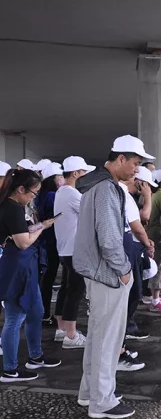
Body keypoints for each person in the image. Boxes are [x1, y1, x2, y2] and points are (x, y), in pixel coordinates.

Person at [74, 135, 154, 419]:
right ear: (120, 158)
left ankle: (90, 393)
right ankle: (102, 402)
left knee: (98, 338)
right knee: (107, 341)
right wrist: (124, 271)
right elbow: (109, 239)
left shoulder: (95, 185)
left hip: (96, 271)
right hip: (107, 273)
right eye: (135, 163)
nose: (137, 169)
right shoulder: (107, 188)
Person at [0, 169, 61, 382]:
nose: (33, 197)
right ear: (20, 189)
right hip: (17, 266)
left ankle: (35, 356)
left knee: (36, 311)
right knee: (15, 317)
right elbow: (23, 242)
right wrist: (42, 227)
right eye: (33, 193)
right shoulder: (11, 207)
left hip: (25, 264)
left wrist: (40, 225)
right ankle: (10, 369)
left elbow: (23, 234)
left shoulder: (14, 206)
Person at [53, 157, 95, 350]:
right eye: (84, 172)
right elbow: (92, 213)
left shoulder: (61, 191)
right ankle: (71, 335)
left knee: (66, 288)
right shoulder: (72, 194)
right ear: (76, 173)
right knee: (75, 291)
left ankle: (62, 329)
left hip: (64, 248)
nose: (86, 176)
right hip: (74, 249)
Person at [121, 167, 155, 341]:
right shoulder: (127, 196)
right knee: (133, 291)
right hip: (131, 248)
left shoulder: (128, 196)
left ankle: (127, 326)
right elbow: (142, 220)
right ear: (140, 183)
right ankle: (126, 328)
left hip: (133, 246)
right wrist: (147, 197)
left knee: (134, 290)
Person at [35, 162, 64, 326]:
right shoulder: (53, 196)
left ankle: (43, 313)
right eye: (60, 177)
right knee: (48, 278)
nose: (62, 179)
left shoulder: (42, 194)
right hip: (51, 241)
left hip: (44, 240)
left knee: (45, 278)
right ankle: (44, 314)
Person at [144, 168, 161, 311]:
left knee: (157, 265)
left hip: (153, 233)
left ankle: (155, 297)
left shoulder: (156, 194)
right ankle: (155, 299)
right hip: (159, 235)